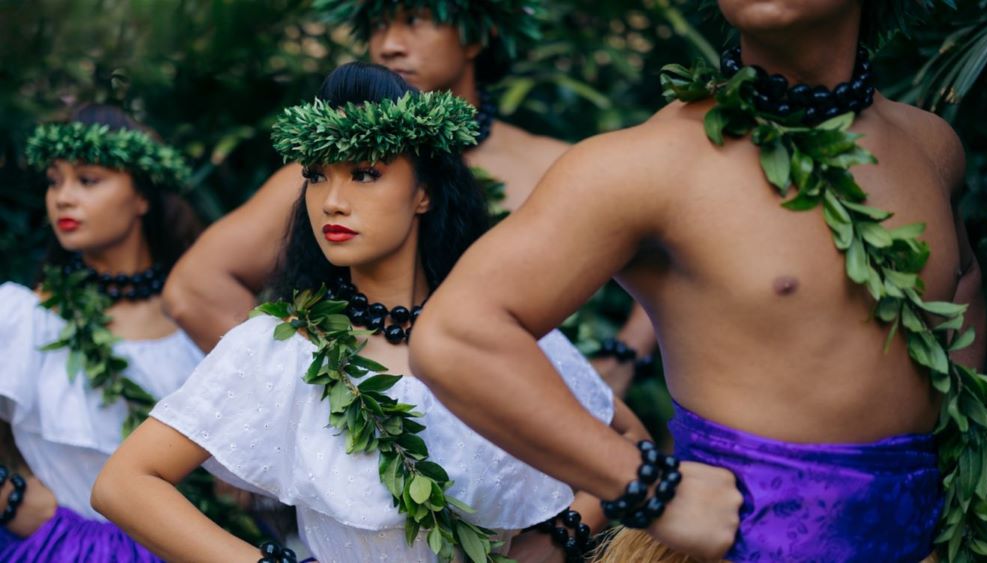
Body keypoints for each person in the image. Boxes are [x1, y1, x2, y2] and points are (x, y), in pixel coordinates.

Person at [409, 1, 987, 561]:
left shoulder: (930, 147)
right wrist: (642, 486)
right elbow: (460, 335)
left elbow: (961, 278)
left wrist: (958, 475)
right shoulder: (649, 165)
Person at [93, 63, 641, 563]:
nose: (331, 200)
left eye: (364, 173)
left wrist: (553, 543)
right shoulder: (282, 346)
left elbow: (629, 441)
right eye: (317, 175)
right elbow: (124, 483)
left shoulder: (496, 332)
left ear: (424, 192)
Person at [163, 0, 656, 398]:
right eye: (377, 25)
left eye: (415, 19)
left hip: (538, 435)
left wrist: (625, 356)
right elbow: (195, 288)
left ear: (476, 33)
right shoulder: (328, 177)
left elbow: (669, 251)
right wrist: (316, 392)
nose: (389, 45)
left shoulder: (554, 166)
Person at [0, 104, 204, 560]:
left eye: (87, 180)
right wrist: (10, 497)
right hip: (55, 547)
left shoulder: (195, 322)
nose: (63, 198)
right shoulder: (22, 317)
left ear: (142, 198)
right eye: (55, 181)